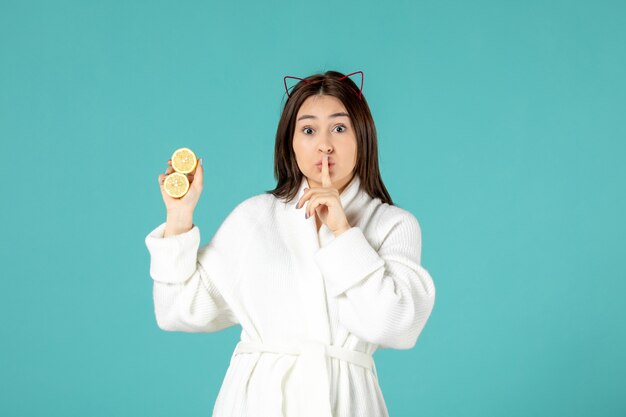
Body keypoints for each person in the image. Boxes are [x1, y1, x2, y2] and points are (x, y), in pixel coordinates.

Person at [144, 70, 436, 417]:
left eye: (339, 128)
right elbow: (177, 310)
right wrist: (179, 216)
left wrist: (342, 231)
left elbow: (396, 326)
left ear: (363, 137)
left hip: (345, 402)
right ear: (291, 142)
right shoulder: (254, 218)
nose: (324, 143)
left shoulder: (393, 225)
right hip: (256, 401)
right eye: (308, 130)